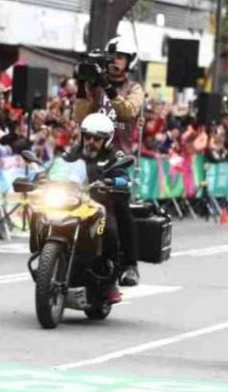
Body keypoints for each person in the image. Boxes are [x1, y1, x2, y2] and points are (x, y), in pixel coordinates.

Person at [73, 35, 143, 286]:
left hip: (119, 159)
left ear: (129, 62)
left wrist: (108, 86)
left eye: (121, 57)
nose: (115, 61)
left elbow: (127, 111)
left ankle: (130, 265)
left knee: (121, 206)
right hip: (89, 152)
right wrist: (83, 85)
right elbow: (79, 117)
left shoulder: (134, 89)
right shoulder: (95, 86)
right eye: (112, 56)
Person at [59, 113, 132, 304]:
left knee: (108, 231)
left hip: (100, 207)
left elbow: (125, 178)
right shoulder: (72, 153)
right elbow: (55, 167)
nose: (90, 142)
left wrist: (112, 181)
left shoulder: (115, 156)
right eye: (88, 137)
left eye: (97, 138)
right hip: (72, 204)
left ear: (106, 140)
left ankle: (111, 282)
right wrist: (40, 175)